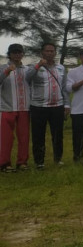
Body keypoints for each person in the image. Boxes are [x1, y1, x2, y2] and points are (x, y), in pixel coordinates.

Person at [26, 42, 69, 169]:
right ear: (42, 52)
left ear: (55, 53)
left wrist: (67, 105)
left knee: (57, 134)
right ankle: (39, 161)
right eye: (47, 51)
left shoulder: (61, 68)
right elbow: (27, 78)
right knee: (38, 134)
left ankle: (58, 158)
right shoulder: (33, 66)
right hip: (39, 106)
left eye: (52, 51)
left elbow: (65, 88)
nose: (49, 53)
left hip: (57, 106)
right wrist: (38, 65)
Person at [0, 44, 31, 172]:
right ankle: (4, 163)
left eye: (19, 52)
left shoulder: (28, 69)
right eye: (14, 53)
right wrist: (7, 72)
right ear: (10, 54)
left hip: (24, 107)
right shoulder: (2, 67)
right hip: (7, 107)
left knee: (24, 137)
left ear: (22, 54)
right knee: (6, 138)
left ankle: (22, 162)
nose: (17, 55)